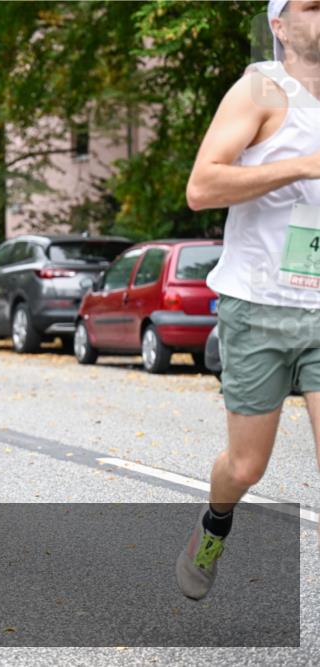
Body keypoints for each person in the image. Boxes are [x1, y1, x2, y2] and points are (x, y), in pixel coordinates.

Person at [175, 0, 320, 601]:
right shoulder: (262, 89)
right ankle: (214, 526)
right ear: (281, 26)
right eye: (315, 5)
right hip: (258, 306)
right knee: (245, 468)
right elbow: (201, 186)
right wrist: (303, 165)